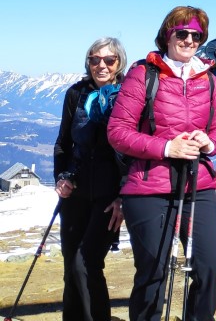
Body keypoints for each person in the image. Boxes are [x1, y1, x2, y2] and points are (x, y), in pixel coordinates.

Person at [107, 5, 216, 321]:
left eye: (196, 35)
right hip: (148, 187)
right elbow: (117, 132)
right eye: (182, 33)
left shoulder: (209, 79)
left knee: (211, 265)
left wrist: (210, 142)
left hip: (197, 184)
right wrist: (167, 148)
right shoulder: (142, 75)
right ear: (167, 35)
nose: (189, 40)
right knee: (153, 273)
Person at [54, 37, 127, 321]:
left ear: (119, 62)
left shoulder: (128, 95)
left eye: (109, 60)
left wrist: (125, 196)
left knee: (87, 263)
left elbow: (133, 151)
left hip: (111, 197)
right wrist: (61, 177)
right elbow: (63, 143)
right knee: (71, 266)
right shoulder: (76, 94)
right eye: (94, 59)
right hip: (76, 192)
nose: (101, 65)